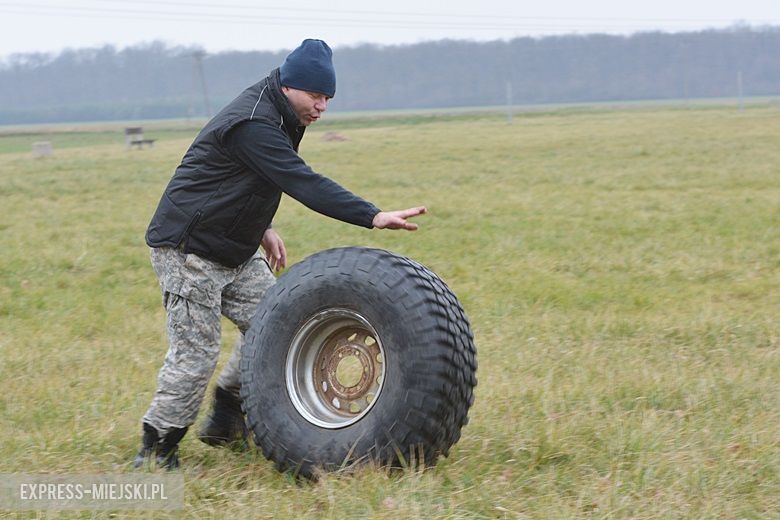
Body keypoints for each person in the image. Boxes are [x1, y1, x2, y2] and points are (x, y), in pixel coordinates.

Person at [133, 39, 426, 469]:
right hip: (189, 248)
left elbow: (240, 175)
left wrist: (263, 228)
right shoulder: (254, 121)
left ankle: (228, 415)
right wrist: (373, 215)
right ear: (290, 86)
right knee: (196, 353)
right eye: (316, 96)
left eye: (328, 98)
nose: (323, 106)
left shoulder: (286, 111)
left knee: (274, 327)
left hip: (236, 245)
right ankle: (156, 448)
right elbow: (300, 181)